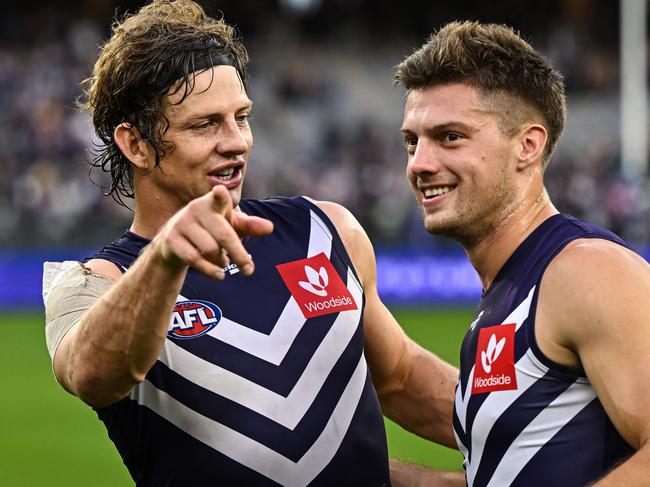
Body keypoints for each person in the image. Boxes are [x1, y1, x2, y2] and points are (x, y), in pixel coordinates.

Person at [41, 1, 460, 485]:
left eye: (241, 117)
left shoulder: (323, 230)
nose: (237, 141)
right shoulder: (97, 281)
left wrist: (528, 428)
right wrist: (166, 256)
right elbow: (93, 374)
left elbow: (400, 378)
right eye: (205, 124)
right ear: (135, 144)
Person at [391, 20, 650, 487]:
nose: (420, 164)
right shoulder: (508, 291)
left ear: (528, 146)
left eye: (450, 137)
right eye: (413, 141)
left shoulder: (584, 269)